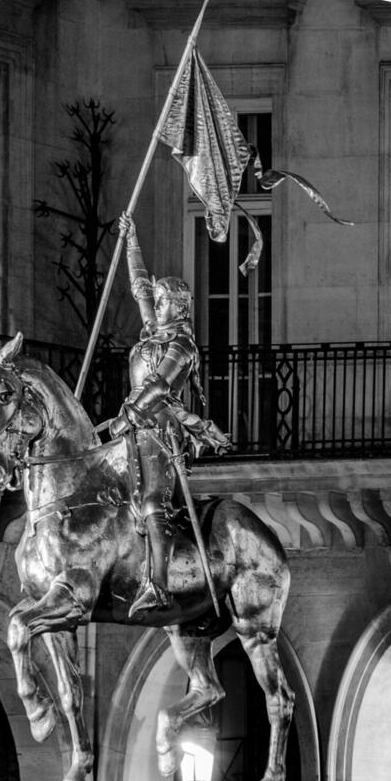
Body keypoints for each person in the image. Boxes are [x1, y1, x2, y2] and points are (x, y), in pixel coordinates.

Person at [101, 211, 231, 616]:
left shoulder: (183, 346)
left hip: (162, 434)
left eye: (159, 303)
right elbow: (139, 285)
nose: (152, 306)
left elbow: (158, 387)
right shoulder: (153, 333)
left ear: (175, 306)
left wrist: (126, 416)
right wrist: (131, 240)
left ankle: (157, 584)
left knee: (155, 503)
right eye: (154, 303)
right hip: (133, 430)